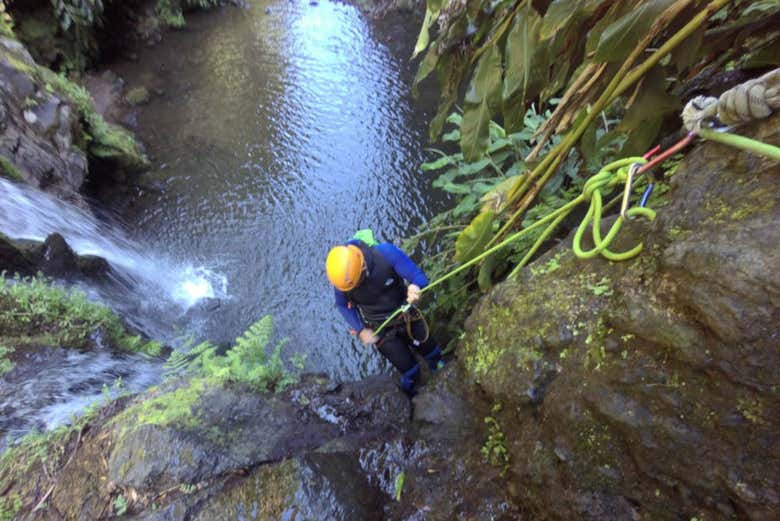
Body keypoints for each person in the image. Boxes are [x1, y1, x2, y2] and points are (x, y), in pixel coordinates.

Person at [325, 230, 443, 395]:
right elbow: (342, 305)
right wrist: (360, 330)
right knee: (409, 370)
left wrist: (415, 287)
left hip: (406, 314)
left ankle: (439, 370)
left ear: (363, 265)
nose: (356, 288)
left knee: (432, 352)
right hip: (381, 329)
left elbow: (419, 277)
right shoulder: (344, 280)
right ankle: (411, 392)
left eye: (357, 282)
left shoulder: (385, 254)